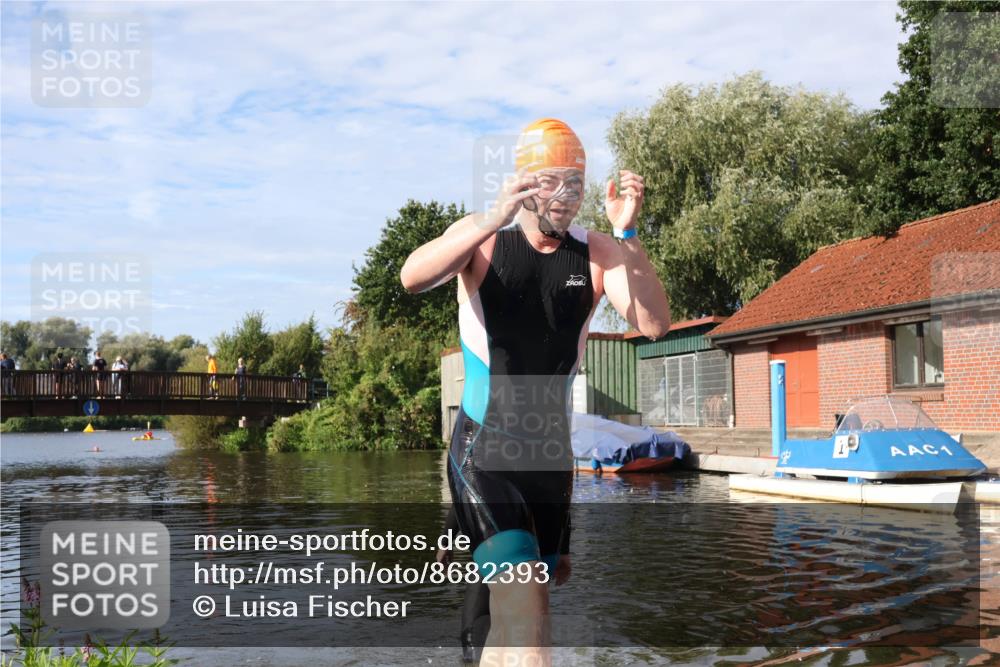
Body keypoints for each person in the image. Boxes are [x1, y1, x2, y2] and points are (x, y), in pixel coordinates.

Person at [401, 118, 670, 666]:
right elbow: (412, 276)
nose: (566, 197)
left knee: (526, 614)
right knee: (526, 609)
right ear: (525, 181)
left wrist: (628, 235)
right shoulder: (484, 238)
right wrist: (489, 219)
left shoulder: (598, 252)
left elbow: (654, 323)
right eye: (552, 182)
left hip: (549, 460)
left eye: (576, 184)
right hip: (485, 451)